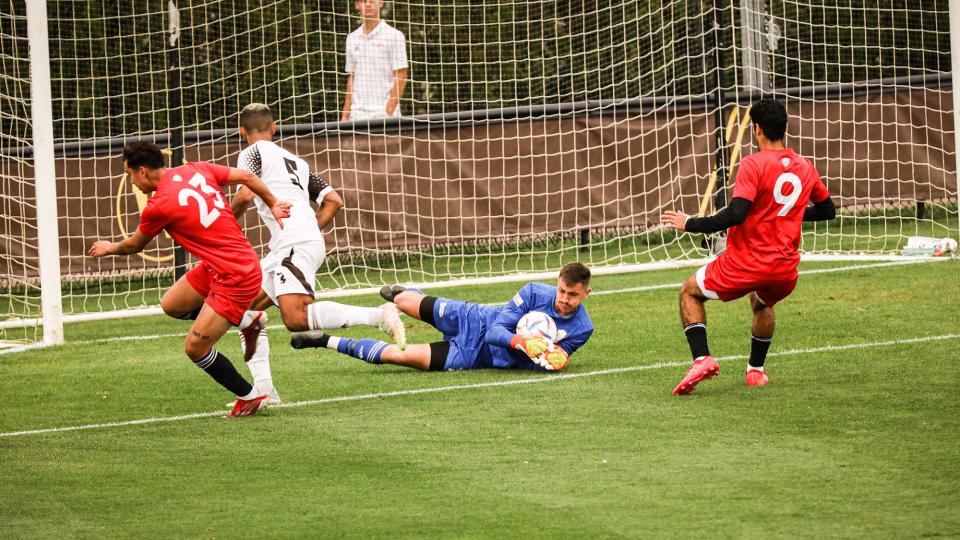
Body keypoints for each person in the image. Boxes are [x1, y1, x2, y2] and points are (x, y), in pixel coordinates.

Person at [88, 141, 292, 417]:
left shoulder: (158, 205)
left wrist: (108, 247)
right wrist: (273, 202)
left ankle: (249, 396)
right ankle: (248, 320)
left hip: (236, 275)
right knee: (172, 304)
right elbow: (247, 176)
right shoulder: (196, 169)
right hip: (220, 265)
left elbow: (135, 245)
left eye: (130, 175)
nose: (132, 182)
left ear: (143, 171)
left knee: (195, 348)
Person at [229, 103, 406, 404]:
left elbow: (245, 193)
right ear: (273, 128)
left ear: (242, 132)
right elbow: (334, 200)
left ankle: (379, 315)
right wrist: (310, 228)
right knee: (242, 310)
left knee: (295, 318)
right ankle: (263, 391)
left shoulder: (251, 153)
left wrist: (220, 221)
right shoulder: (295, 160)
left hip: (293, 243)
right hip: (292, 243)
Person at [661, 98, 836, 395]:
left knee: (689, 291)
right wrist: (788, 213)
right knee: (763, 303)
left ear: (756, 129)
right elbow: (827, 210)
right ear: (784, 128)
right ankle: (756, 371)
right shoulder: (805, 166)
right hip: (784, 269)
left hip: (746, 263)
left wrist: (690, 223)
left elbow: (736, 213)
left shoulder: (753, 163)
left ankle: (702, 359)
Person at [289, 262, 594, 372]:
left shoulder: (583, 328)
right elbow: (496, 332)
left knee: (399, 356)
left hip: (473, 357)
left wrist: (551, 359)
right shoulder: (532, 292)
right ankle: (410, 295)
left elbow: (557, 357)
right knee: (406, 302)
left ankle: (324, 340)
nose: (565, 300)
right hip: (474, 320)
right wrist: (524, 343)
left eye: (573, 295)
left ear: (586, 294)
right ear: (557, 284)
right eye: (562, 292)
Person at [341, 0, 408, 121]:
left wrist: (387, 113)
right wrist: (345, 115)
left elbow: (401, 77)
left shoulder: (395, 36)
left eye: (372, 0)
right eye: (363, 1)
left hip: (386, 119)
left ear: (381, 3)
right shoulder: (351, 38)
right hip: (357, 118)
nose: (368, 4)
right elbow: (352, 77)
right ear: (357, 5)